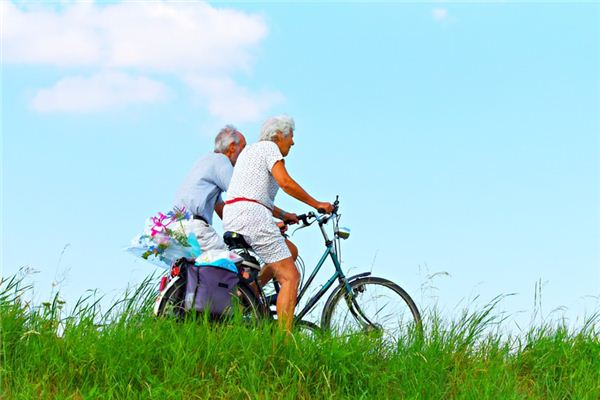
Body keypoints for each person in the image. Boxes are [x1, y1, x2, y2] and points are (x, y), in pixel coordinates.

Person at [223, 115, 333, 332]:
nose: (292, 142)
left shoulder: (250, 152)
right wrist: (317, 203)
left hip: (236, 214)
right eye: (291, 136)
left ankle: (250, 294)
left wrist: (283, 215)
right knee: (290, 276)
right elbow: (286, 182)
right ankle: (282, 344)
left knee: (289, 251)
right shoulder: (270, 148)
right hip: (251, 216)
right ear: (278, 135)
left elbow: (252, 194)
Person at [173, 125, 246, 252]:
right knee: (234, 264)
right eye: (244, 147)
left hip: (177, 229)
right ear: (232, 146)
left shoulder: (205, 161)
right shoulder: (221, 161)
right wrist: (268, 224)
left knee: (199, 270)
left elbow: (221, 209)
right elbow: (243, 195)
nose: (245, 154)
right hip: (195, 229)